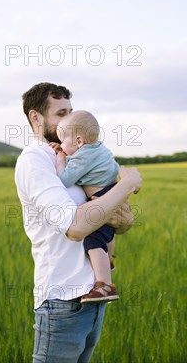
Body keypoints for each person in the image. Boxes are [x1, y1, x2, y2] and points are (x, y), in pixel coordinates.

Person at [14, 82, 142, 363]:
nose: (69, 120)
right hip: (62, 299)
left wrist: (118, 213)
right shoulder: (35, 160)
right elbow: (76, 228)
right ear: (36, 117)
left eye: (71, 112)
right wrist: (128, 184)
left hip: (94, 296)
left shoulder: (78, 155)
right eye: (61, 113)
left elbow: (122, 222)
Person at [50, 110, 122, 303]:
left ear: (79, 141)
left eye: (63, 141)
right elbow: (114, 167)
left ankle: (105, 285)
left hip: (102, 196)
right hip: (113, 190)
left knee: (93, 237)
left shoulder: (82, 157)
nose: (61, 146)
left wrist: (60, 158)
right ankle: (108, 259)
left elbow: (64, 179)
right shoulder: (98, 147)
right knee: (108, 231)